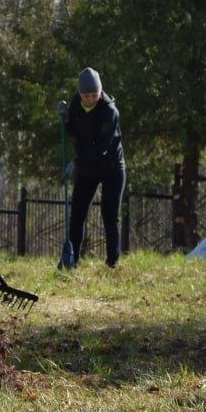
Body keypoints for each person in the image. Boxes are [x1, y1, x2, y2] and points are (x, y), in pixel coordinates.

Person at [61, 67, 126, 269]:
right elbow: (72, 129)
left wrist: (76, 162)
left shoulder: (109, 112)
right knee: (77, 214)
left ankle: (112, 263)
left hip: (111, 167)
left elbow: (101, 148)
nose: (90, 99)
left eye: (94, 95)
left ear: (100, 92)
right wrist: (65, 118)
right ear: (80, 94)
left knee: (109, 213)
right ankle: (71, 260)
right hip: (87, 168)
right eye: (86, 95)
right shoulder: (76, 103)